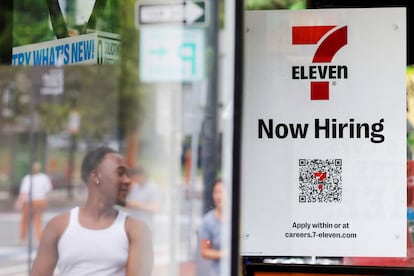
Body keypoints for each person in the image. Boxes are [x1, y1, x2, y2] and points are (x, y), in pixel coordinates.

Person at [31, 146, 153, 276]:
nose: (128, 181)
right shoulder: (57, 226)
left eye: (128, 175)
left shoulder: (136, 230)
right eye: (120, 173)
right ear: (95, 175)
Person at [15, 161, 52, 244]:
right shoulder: (44, 177)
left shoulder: (28, 178)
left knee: (25, 220)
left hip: (29, 202)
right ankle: (39, 238)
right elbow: (48, 189)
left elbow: (23, 192)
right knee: (38, 220)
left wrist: (19, 202)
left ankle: (22, 238)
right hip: (41, 201)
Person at [199, 179, 225, 276]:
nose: (218, 196)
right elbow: (204, 251)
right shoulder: (208, 220)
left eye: (221, 192)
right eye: (216, 192)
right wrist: (226, 254)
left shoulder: (237, 218)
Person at [125, 166, 161, 233]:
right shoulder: (135, 186)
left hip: (145, 226)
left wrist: (139, 205)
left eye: (135, 177)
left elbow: (156, 208)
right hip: (133, 225)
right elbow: (129, 202)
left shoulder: (153, 188)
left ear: (141, 176)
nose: (134, 179)